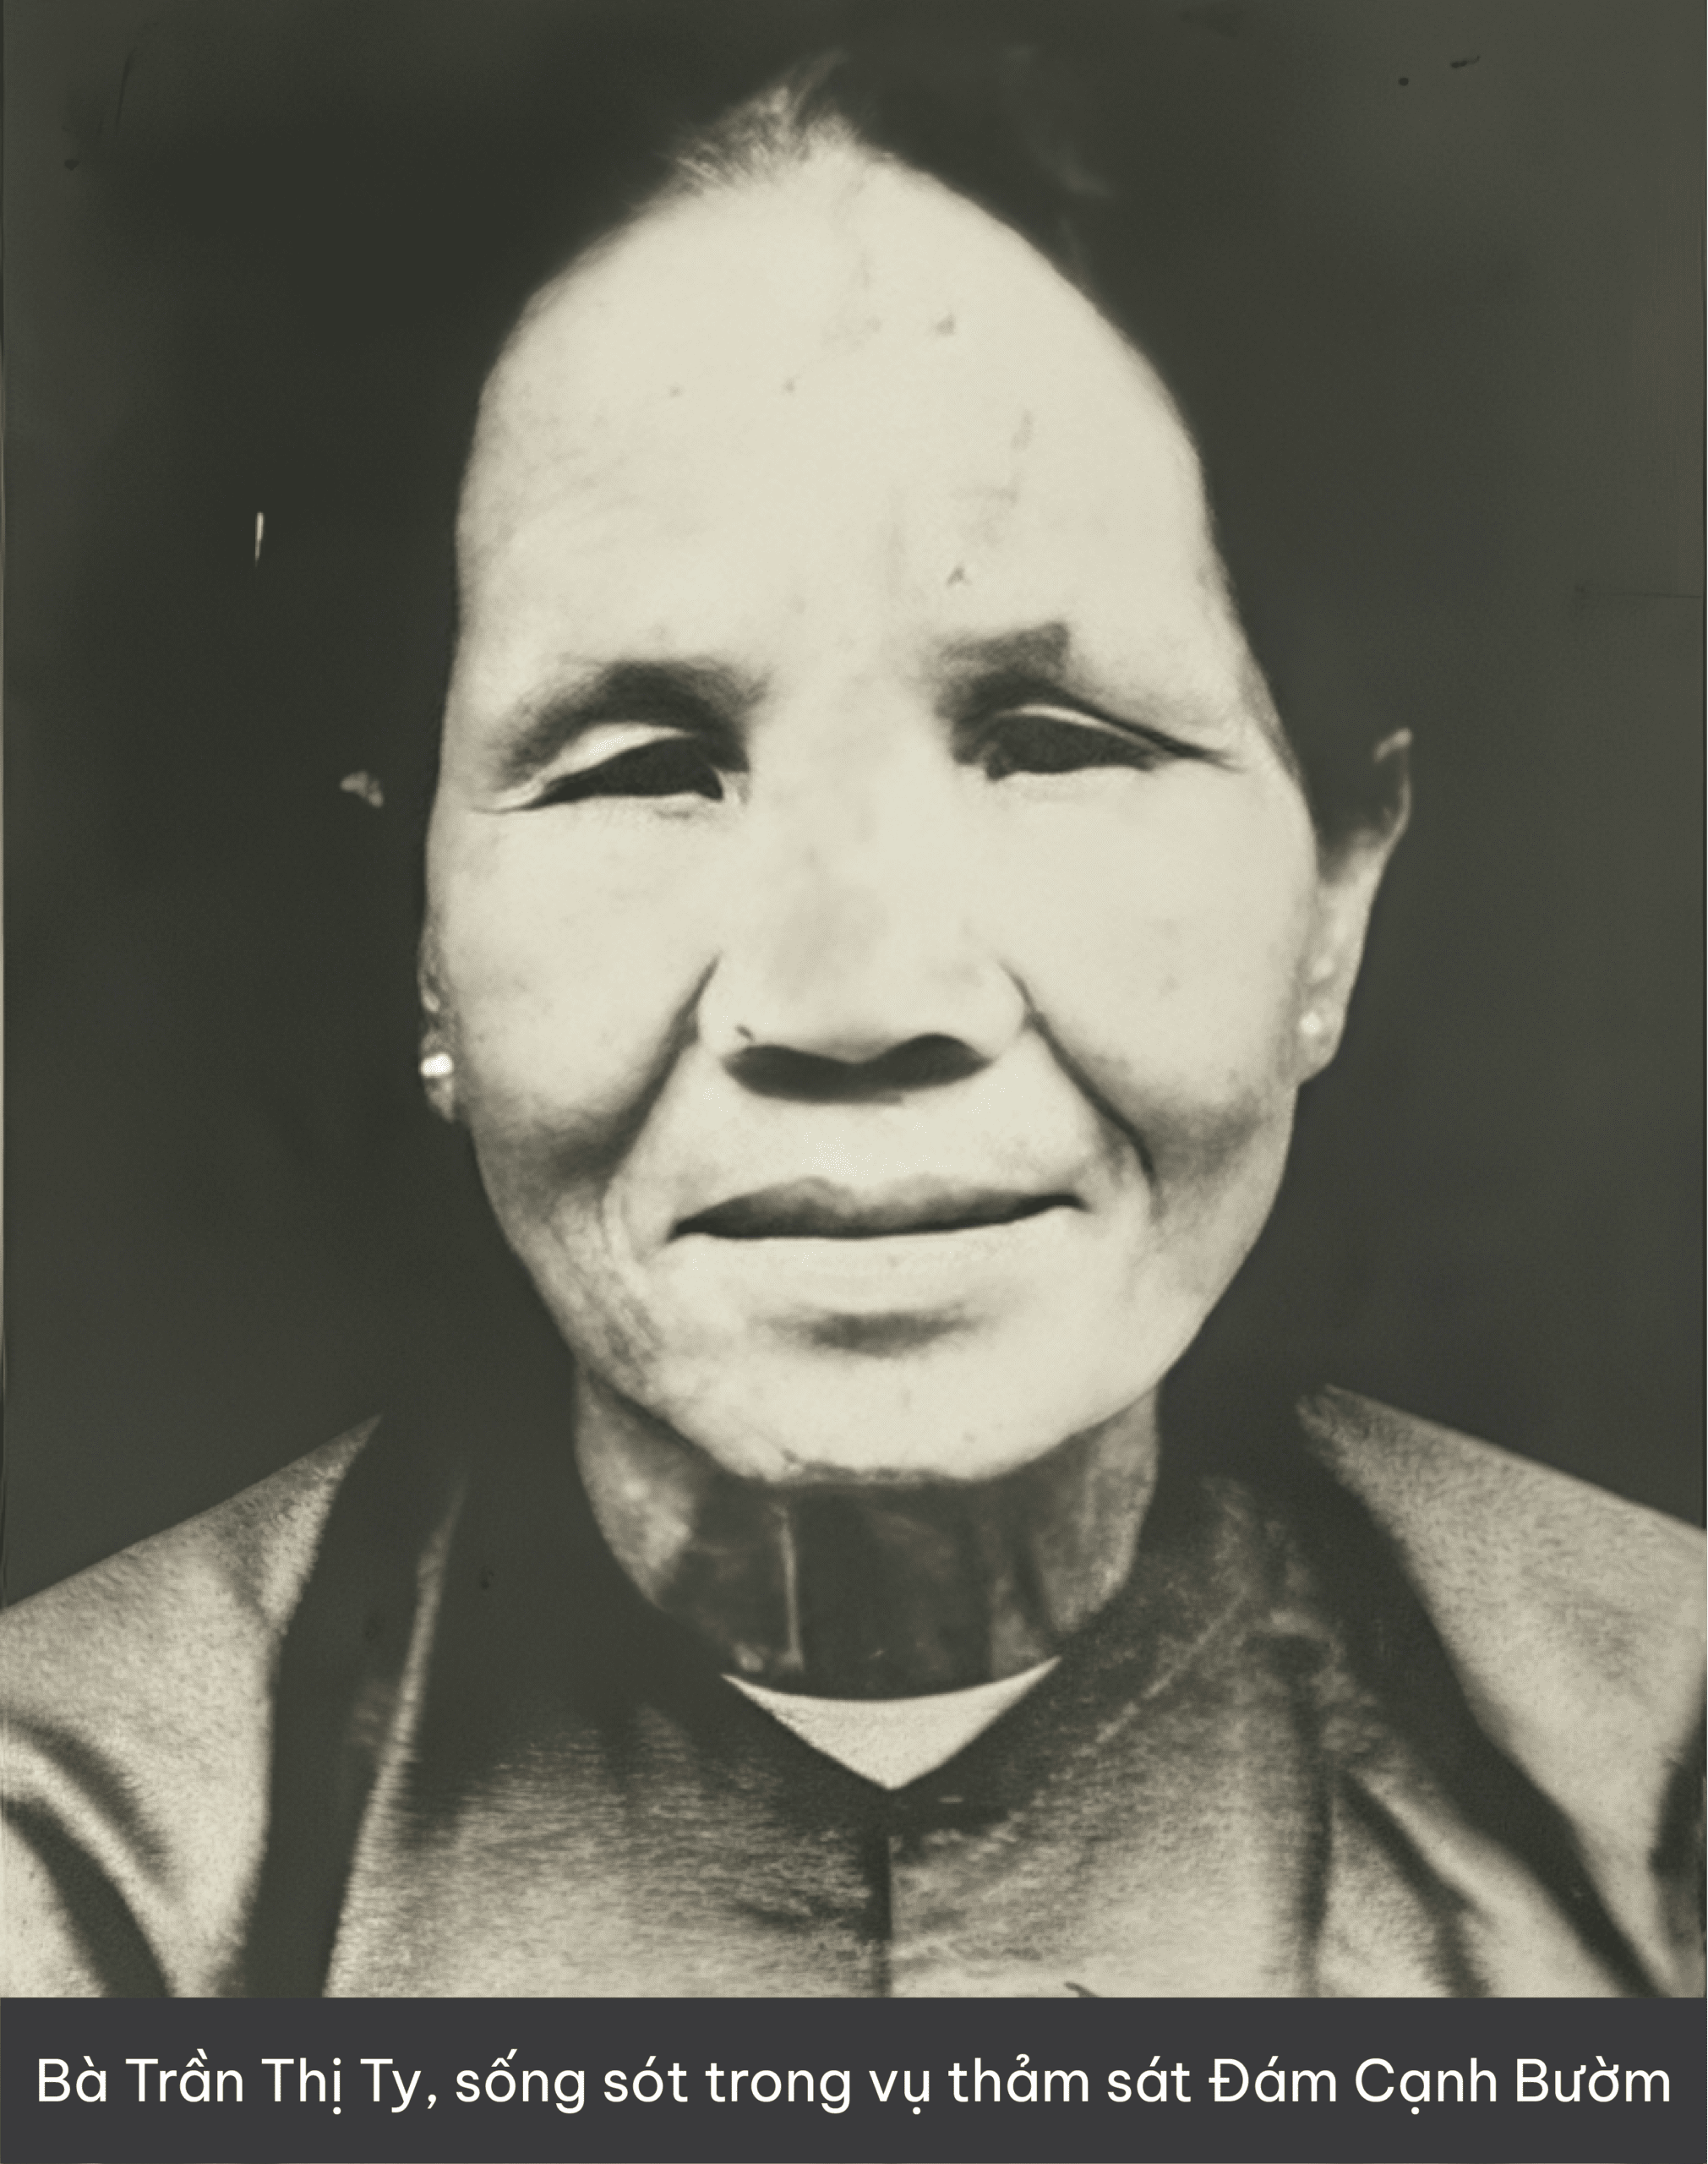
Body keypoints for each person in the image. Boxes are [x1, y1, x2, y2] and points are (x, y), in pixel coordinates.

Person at [3, 52, 1701, 1999]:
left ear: (1334, 885)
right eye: (643, 765)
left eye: (1051, 745)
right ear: (425, 933)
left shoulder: (1660, 1794)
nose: (856, 1000)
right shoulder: (72, 1872)